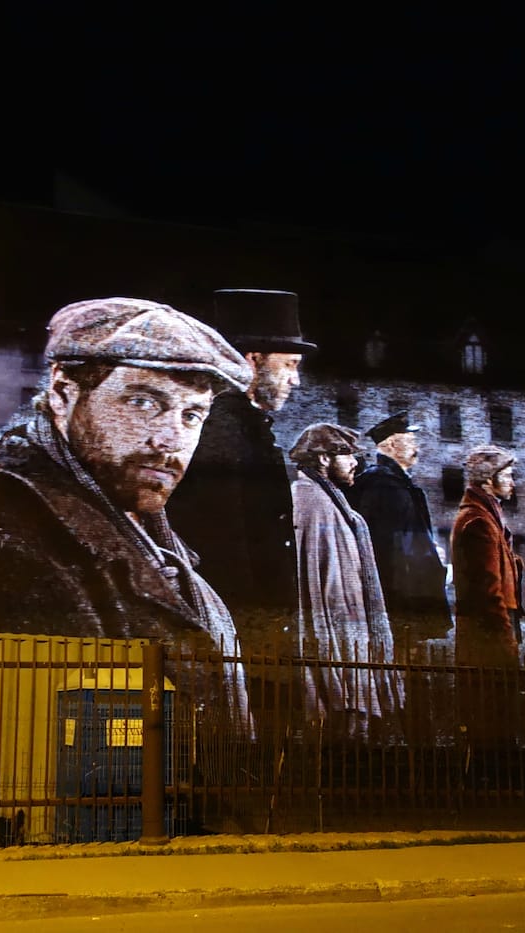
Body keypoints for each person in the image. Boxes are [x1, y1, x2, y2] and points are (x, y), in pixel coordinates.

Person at [0, 297, 255, 721]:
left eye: (192, 415)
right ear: (62, 395)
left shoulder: (138, 529)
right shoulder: (6, 551)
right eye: (143, 403)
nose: (170, 440)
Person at [166, 288, 315, 738]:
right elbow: (224, 544)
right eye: (289, 365)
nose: (296, 381)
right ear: (252, 360)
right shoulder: (224, 432)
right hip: (243, 632)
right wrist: (259, 635)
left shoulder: (238, 426)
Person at [287, 422, 400, 742]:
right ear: (323, 459)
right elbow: (311, 572)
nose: (355, 463)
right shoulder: (308, 499)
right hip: (332, 628)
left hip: (348, 625)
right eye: (347, 455)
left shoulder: (331, 499)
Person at [346, 410, 452, 658]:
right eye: (409, 439)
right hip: (401, 597)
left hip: (410, 593)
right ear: (392, 444)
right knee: (403, 659)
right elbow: (387, 549)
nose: (416, 446)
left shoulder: (398, 482)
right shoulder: (383, 485)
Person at [450, 445, 524, 755]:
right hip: (487, 631)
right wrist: (505, 634)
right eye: (506, 476)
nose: (512, 483)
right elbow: (487, 588)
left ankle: (495, 761)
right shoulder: (478, 521)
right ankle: (493, 768)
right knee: (490, 706)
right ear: (487, 481)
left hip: (489, 627)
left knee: (496, 705)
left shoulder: (487, 515)